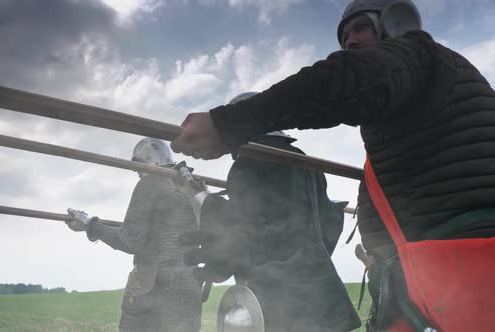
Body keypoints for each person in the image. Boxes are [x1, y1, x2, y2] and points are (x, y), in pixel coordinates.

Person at [171, 0, 495, 331]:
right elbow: (322, 225)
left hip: (463, 272)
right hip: (426, 275)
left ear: (396, 23)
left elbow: (345, 78)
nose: (350, 41)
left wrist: (227, 124)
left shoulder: (417, 55)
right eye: (343, 37)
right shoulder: (418, 105)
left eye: (360, 28)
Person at [178, 92, 361, 332]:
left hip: (279, 299)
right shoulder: (309, 166)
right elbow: (330, 221)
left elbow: (239, 228)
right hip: (322, 294)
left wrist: (199, 195)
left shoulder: (251, 162)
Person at [66, 138, 202, 332]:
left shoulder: (151, 183)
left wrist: (89, 224)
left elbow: (129, 239)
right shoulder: (194, 185)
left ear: (154, 162)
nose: (137, 172)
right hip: (190, 288)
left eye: (139, 164)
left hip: (155, 288)